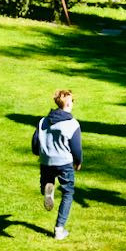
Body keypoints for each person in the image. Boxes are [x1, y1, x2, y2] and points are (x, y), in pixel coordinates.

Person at [31, 89, 82, 240]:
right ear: (68, 103)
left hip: (46, 161)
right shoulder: (72, 124)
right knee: (68, 192)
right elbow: (76, 148)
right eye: (72, 100)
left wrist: (37, 152)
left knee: (47, 181)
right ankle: (59, 229)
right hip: (64, 162)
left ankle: (48, 189)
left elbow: (35, 142)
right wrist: (78, 161)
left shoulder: (43, 121)